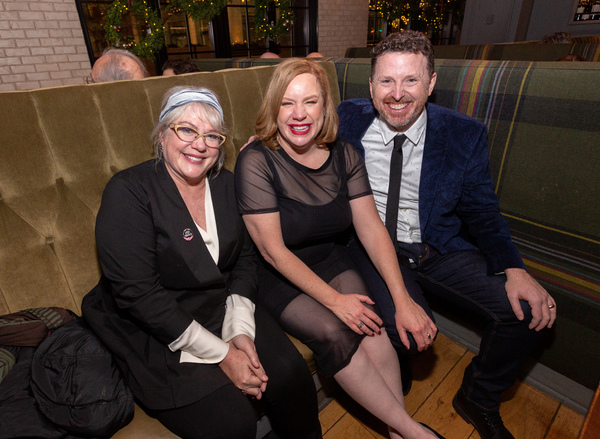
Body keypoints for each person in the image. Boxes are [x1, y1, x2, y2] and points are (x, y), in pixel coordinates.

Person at [337, 31, 557, 439]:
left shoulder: (464, 134)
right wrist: (261, 143)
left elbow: (482, 209)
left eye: (411, 80)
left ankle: (478, 395)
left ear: (432, 83)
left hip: (435, 246)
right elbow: (298, 129)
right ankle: (396, 366)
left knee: (526, 313)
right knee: (403, 333)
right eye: (386, 81)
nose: (397, 94)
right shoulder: (346, 118)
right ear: (370, 86)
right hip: (369, 248)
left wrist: (513, 267)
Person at [81, 86, 322, 439]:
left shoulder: (226, 184)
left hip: (217, 303)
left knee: (290, 376)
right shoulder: (128, 191)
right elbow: (139, 295)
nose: (200, 144)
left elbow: (244, 260)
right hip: (153, 322)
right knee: (232, 423)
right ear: (162, 134)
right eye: (187, 130)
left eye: (211, 135)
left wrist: (239, 328)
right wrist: (223, 354)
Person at [235, 58, 444, 439]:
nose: (299, 114)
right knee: (334, 331)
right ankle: (414, 433)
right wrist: (335, 301)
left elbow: (371, 227)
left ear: (324, 106)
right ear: (273, 108)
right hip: (276, 272)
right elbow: (272, 252)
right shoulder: (256, 161)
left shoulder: (344, 154)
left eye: (310, 102)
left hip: (328, 257)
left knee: (370, 322)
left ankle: (399, 431)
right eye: (287, 103)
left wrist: (401, 298)